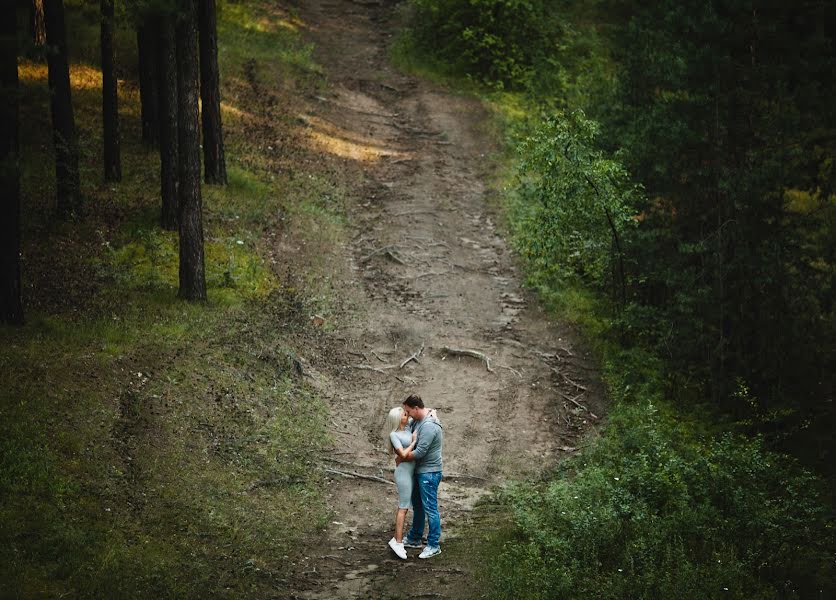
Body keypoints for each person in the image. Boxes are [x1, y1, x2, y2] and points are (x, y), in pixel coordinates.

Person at [398, 393, 444, 559]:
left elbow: (419, 452)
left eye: (408, 411)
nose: (407, 414)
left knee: (431, 509)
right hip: (420, 471)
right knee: (418, 505)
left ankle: (433, 545)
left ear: (416, 408)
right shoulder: (417, 420)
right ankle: (415, 538)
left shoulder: (429, 426)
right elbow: (406, 429)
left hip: (429, 473)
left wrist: (401, 456)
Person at [385, 406, 417, 560]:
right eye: (404, 414)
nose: (407, 414)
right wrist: (414, 442)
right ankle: (398, 542)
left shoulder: (409, 427)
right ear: (398, 419)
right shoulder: (394, 434)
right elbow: (403, 454)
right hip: (403, 472)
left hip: (411, 471)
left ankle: (397, 538)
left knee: (408, 506)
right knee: (403, 506)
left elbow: (421, 412)